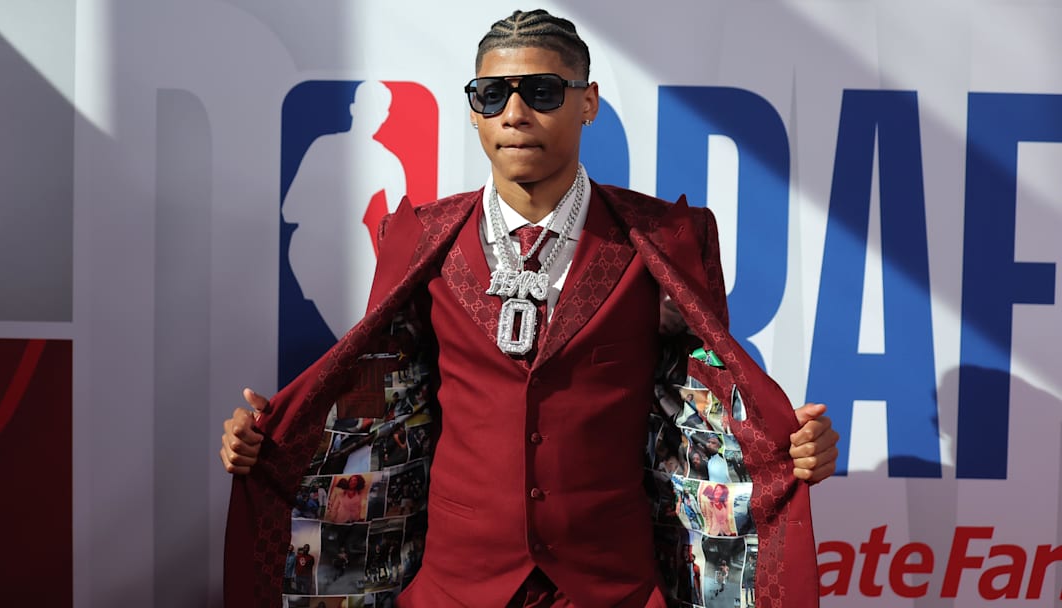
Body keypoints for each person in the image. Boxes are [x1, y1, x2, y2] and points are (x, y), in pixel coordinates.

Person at [220, 9, 838, 607]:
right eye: (492, 95)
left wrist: (787, 449)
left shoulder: (667, 242)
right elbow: (380, 402)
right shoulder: (416, 240)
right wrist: (271, 442)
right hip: (454, 588)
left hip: (613, 587)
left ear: (588, 102)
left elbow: (708, 412)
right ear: (474, 111)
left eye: (541, 91)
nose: (514, 114)